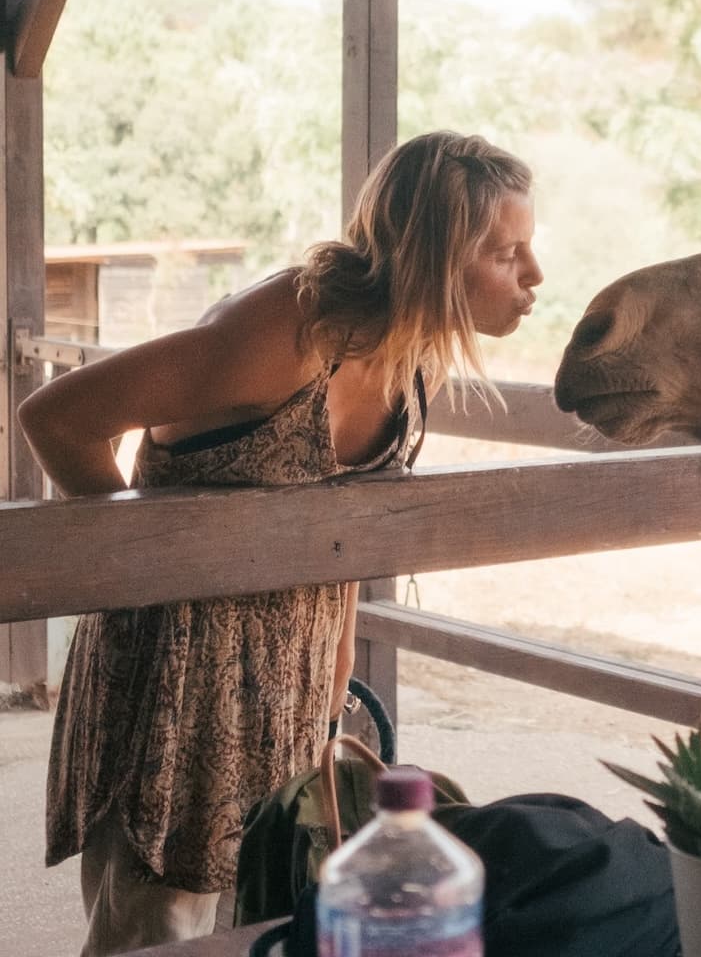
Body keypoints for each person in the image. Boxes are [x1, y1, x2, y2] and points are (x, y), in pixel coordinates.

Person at [18, 130, 543, 956]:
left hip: (290, 687)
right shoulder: (283, 333)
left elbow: (338, 536)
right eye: (508, 253)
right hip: (176, 675)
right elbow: (57, 418)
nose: (534, 275)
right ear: (438, 253)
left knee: (264, 919)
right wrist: (149, 568)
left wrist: (329, 702)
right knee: (155, 934)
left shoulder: (414, 364)